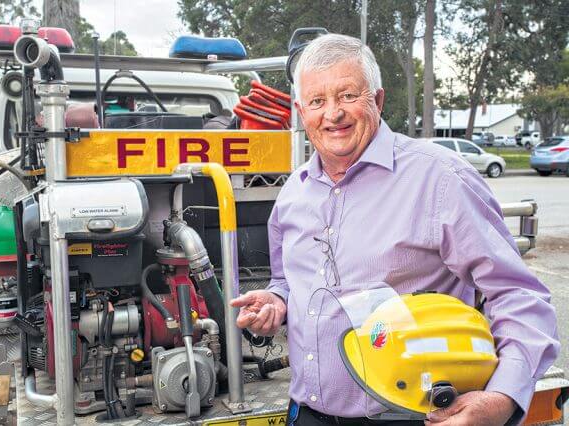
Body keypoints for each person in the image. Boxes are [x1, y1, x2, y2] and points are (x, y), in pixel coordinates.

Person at [230, 34, 559, 426]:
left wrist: (503, 396)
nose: (332, 113)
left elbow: (518, 295)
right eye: (317, 101)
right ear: (302, 112)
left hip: (410, 416)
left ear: (378, 100)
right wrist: (275, 301)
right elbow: (287, 279)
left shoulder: (439, 179)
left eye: (348, 95)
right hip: (307, 413)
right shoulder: (293, 192)